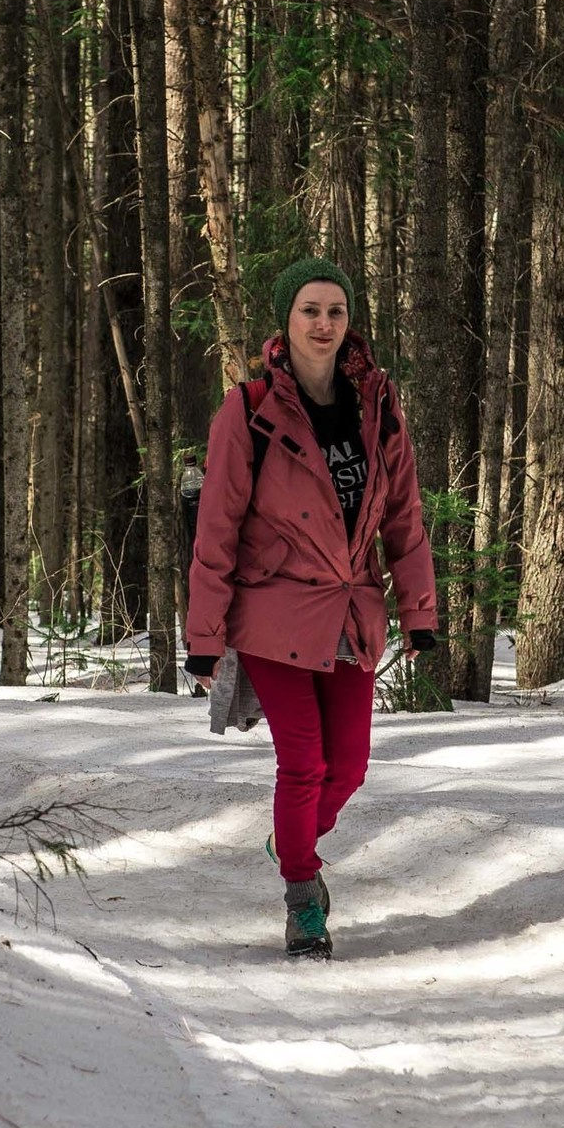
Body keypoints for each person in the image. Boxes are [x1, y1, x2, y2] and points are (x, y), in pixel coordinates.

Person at [185, 257, 438, 957]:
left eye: (335, 311)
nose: (323, 324)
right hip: (270, 615)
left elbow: (405, 522)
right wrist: (204, 635)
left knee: (348, 767)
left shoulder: (378, 409)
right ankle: (303, 898)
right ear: (285, 321)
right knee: (303, 765)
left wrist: (419, 613)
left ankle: (287, 841)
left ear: (348, 321)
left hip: (352, 614)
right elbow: (217, 527)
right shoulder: (248, 411)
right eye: (309, 310)